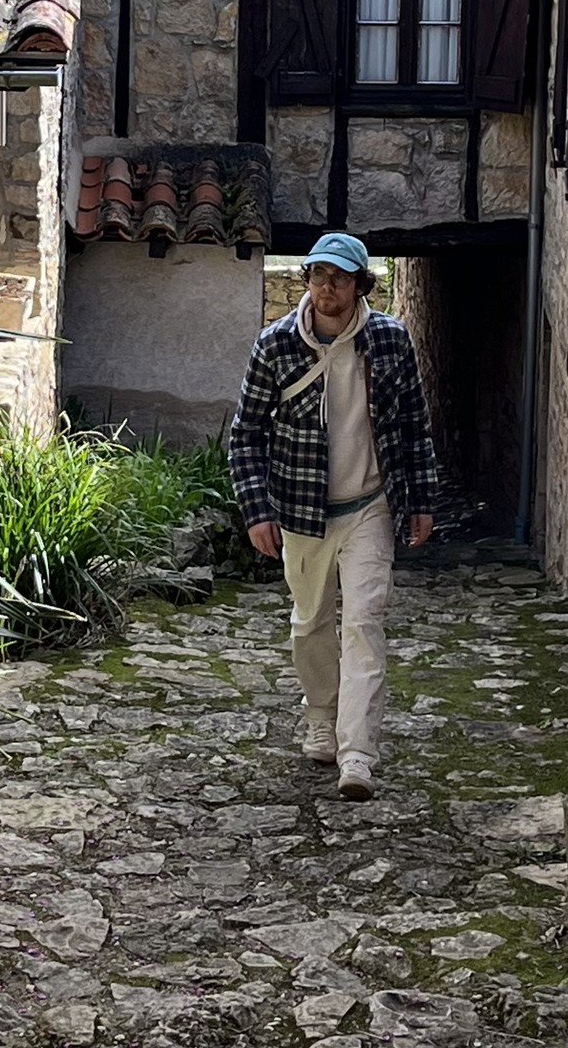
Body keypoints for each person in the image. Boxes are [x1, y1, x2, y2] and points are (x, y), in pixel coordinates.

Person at [227, 232, 438, 802]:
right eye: (319, 276)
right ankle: (320, 715)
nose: (328, 288)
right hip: (300, 509)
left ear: (359, 285)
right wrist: (256, 512)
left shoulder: (389, 340)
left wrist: (420, 502)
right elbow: (245, 435)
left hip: (370, 504)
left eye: (340, 279)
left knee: (365, 624)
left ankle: (358, 754)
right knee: (310, 622)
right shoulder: (276, 345)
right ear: (308, 280)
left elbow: (415, 426)